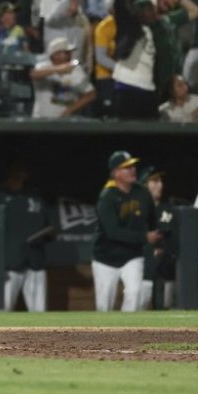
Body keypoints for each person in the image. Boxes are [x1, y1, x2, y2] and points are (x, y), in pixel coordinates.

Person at [92, 150, 159, 312]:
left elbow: (152, 218)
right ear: (115, 173)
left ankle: (127, 335)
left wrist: (154, 236)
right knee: (104, 306)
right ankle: (104, 336)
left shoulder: (142, 192)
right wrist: (144, 237)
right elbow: (112, 232)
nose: (132, 170)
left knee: (135, 293)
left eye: (133, 166)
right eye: (126, 167)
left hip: (132, 256)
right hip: (106, 258)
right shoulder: (107, 196)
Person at [0, 166, 49, 312]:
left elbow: (47, 225)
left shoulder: (35, 197)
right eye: (17, 176)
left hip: (35, 260)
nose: (21, 179)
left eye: (23, 176)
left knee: (40, 314)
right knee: (4, 311)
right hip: (9, 264)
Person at [29, 37, 96, 118]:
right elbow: (33, 74)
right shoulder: (43, 66)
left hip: (65, 121)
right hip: (41, 118)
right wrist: (60, 69)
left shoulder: (75, 70)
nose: (70, 55)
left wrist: (70, 110)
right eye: (67, 53)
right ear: (55, 55)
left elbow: (90, 94)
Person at [140, 168, 176, 310]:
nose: (160, 185)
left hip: (166, 272)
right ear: (144, 184)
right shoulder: (136, 210)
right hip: (142, 271)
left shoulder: (169, 209)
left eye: (161, 181)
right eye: (155, 181)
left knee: (166, 308)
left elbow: (175, 239)